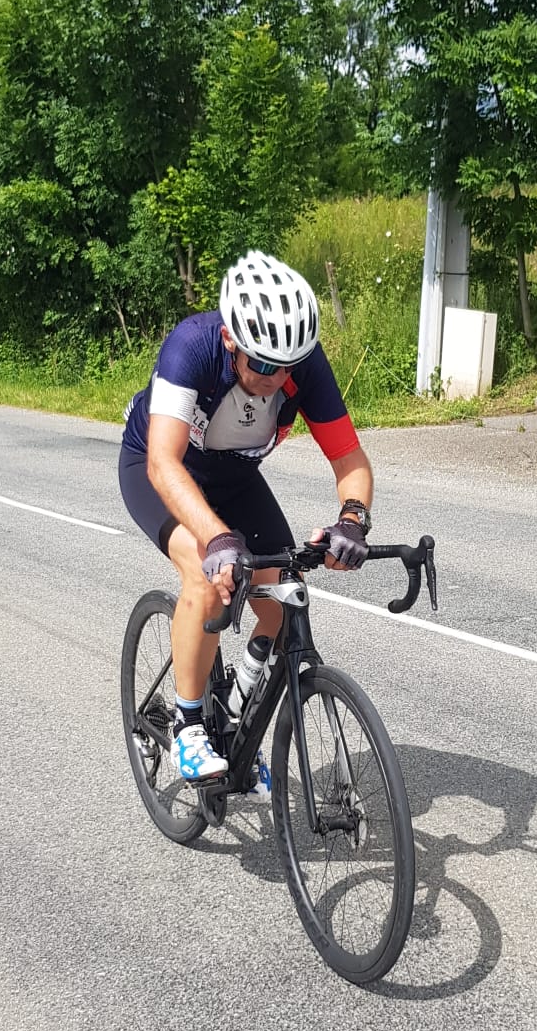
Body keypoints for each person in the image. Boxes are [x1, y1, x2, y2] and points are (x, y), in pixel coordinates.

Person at [119, 250, 374, 788]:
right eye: (262, 364)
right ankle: (189, 727)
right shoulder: (192, 346)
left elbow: (349, 457)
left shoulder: (300, 366)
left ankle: (236, 713)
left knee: (284, 598)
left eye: (287, 367)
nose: (275, 378)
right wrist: (215, 536)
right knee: (207, 576)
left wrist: (353, 519)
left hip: (233, 477)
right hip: (158, 470)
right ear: (231, 340)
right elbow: (163, 463)